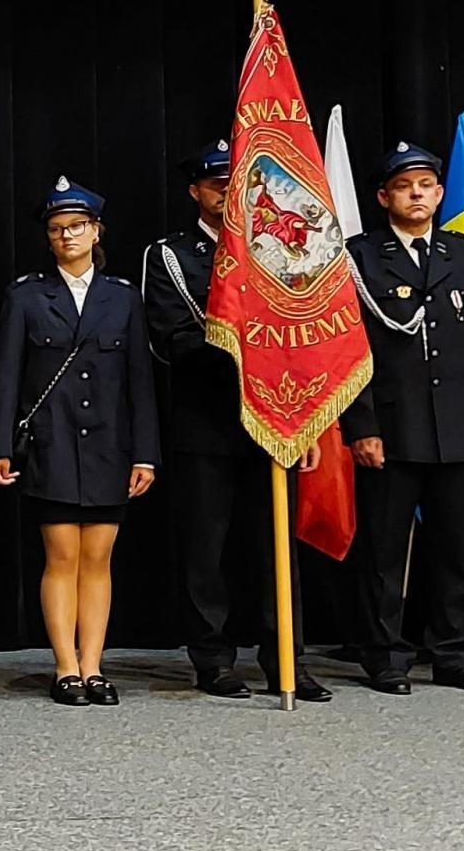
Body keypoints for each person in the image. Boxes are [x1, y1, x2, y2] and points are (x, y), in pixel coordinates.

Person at [141, 141, 332, 702]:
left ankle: (286, 661)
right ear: (195, 192)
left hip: (276, 418)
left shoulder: (278, 248)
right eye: (215, 182)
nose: (227, 190)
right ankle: (213, 660)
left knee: (276, 547)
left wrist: (308, 418)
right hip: (208, 420)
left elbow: (307, 334)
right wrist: (243, 344)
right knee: (207, 551)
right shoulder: (172, 256)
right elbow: (170, 339)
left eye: (235, 179)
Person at [0, 178, 158, 705]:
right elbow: (6, 378)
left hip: (109, 445)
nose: (67, 236)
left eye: (77, 227)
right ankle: (65, 668)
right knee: (61, 555)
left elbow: (140, 382)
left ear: (96, 230)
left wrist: (145, 452)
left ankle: (94, 665)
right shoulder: (28, 295)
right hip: (52, 443)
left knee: (99, 557)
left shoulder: (123, 298)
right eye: (58, 229)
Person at [343, 141, 464, 694]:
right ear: (384, 197)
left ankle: (455, 651)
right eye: (405, 186)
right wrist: (361, 426)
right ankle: (385, 653)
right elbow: (347, 351)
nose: (417, 194)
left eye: (426, 185)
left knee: (456, 548)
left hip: (454, 424)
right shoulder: (359, 258)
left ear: (441, 193)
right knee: (384, 549)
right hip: (391, 426)